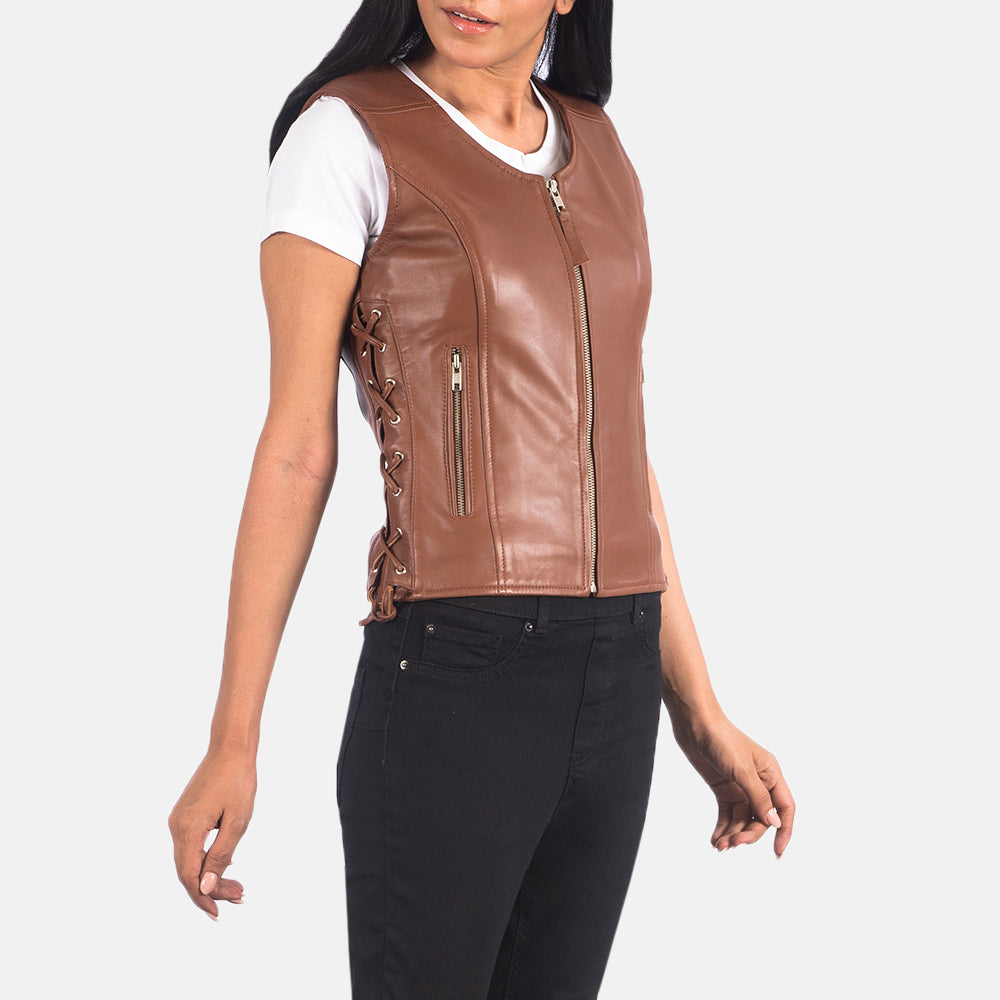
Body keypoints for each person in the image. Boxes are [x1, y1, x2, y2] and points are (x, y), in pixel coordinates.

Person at [168, 1, 795, 996]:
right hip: (457, 673)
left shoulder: (597, 145)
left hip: (619, 676)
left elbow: (622, 454)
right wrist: (231, 740)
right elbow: (295, 450)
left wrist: (699, 707)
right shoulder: (348, 135)